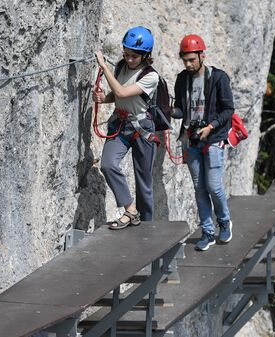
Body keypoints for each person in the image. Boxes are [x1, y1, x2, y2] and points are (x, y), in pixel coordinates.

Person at [172, 34, 234, 251]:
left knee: (214, 186)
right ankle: (207, 232)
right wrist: (171, 111)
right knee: (199, 188)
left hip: (214, 138)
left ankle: (224, 222)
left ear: (202, 55)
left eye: (192, 60)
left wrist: (211, 126)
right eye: (185, 60)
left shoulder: (218, 78)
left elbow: (228, 110)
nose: (188, 64)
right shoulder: (181, 79)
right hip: (191, 139)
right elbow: (181, 109)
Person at [93, 26, 159, 229]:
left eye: (134, 56)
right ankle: (131, 210)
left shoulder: (151, 76)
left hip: (142, 128)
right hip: (121, 124)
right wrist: (104, 99)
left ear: (145, 55)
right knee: (108, 164)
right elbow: (117, 94)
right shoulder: (122, 66)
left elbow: (122, 92)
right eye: (126, 54)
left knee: (144, 182)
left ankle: (146, 228)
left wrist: (103, 67)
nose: (129, 59)